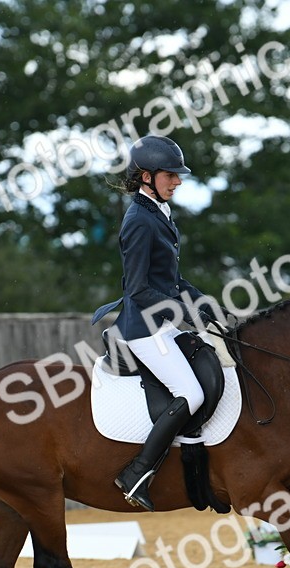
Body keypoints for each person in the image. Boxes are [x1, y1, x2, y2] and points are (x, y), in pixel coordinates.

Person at [91, 135, 221, 512]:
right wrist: (184, 314)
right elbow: (138, 290)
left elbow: (172, 280)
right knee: (191, 394)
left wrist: (204, 304)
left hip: (163, 322)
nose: (177, 182)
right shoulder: (139, 222)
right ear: (146, 176)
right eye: (170, 176)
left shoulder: (157, 212)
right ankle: (137, 471)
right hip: (145, 329)